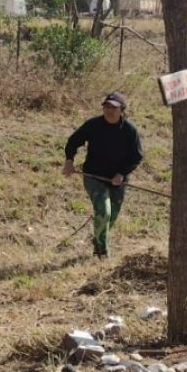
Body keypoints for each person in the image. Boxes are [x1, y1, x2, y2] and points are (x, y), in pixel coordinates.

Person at [62, 92, 143, 258]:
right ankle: (101, 253)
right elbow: (73, 141)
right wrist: (69, 161)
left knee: (111, 216)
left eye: (113, 108)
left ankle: (98, 239)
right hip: (94, 176)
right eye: (106, 107)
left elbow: (136, 156)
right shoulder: (93, 125)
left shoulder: (129, 130)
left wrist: (121, 174)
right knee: (103, 212)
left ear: (122, 110)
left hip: (118, 180)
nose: (109, 111)